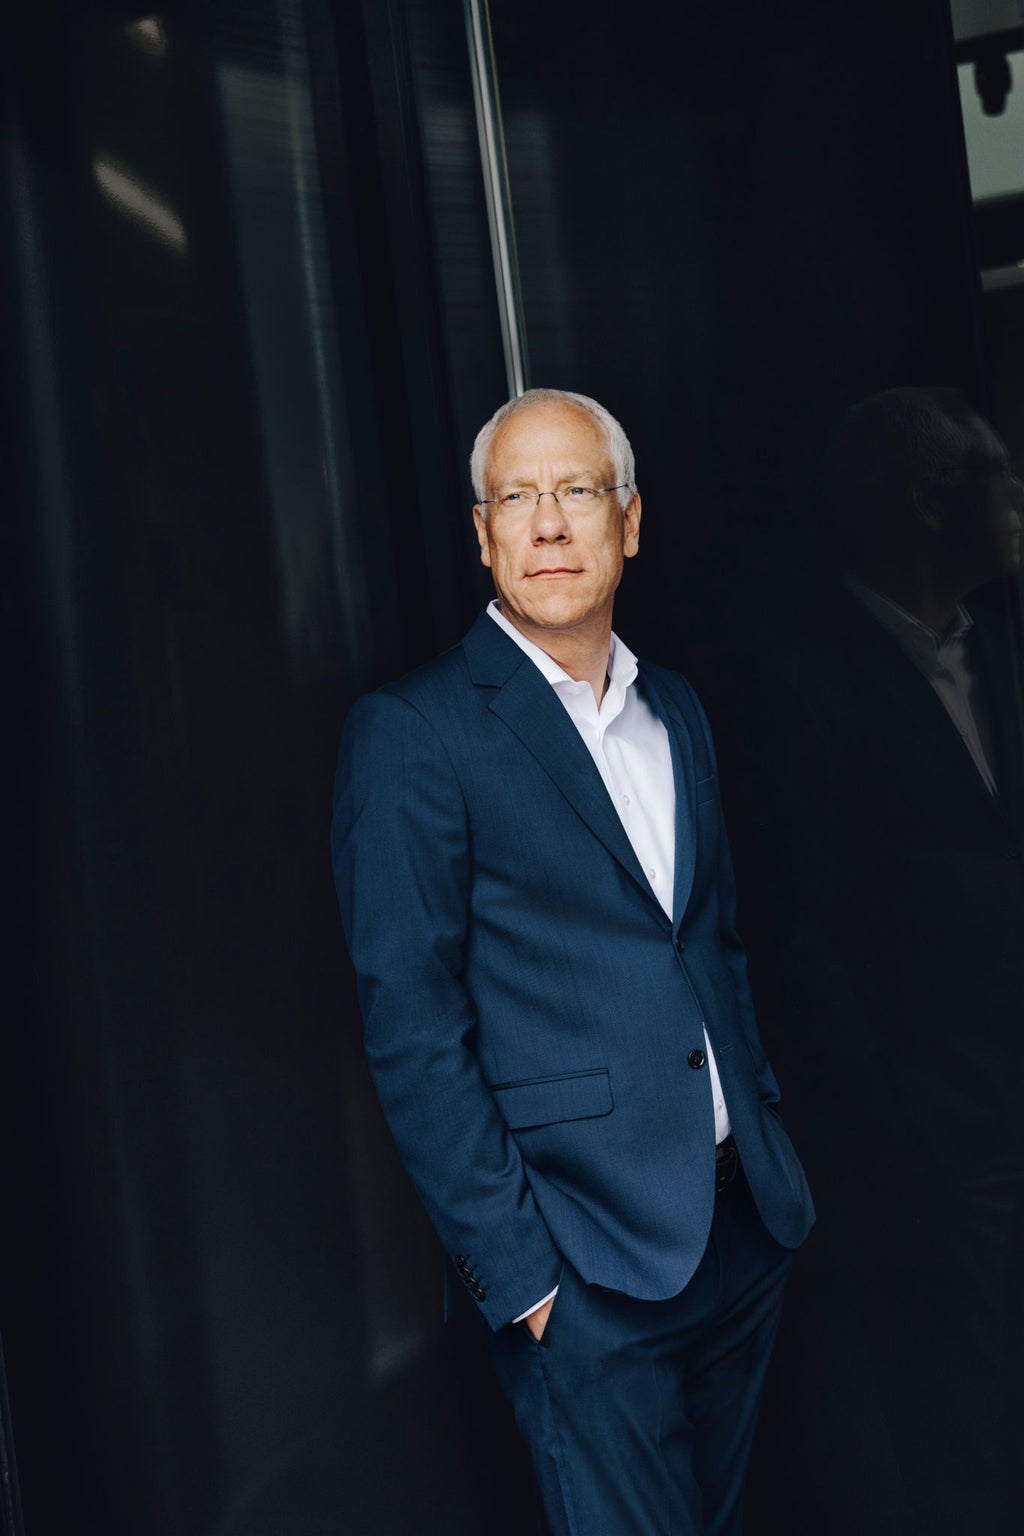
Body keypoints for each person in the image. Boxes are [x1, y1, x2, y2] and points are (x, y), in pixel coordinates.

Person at [331, 387, 814, 1535]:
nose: (548, 523)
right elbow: (412, 1031)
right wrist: (527, 1285)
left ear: (629, 521)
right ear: (482, 532)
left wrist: (761, 1129)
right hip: (585, 1273)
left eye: (577, 491)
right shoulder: (414, 734)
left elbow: (711, 942)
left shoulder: (673, 711)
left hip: (740, 1234)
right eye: (517, 498)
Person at [701, 388, 1024, 1534]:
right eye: (1001, 475)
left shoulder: (1003, 648)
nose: (1017, 500)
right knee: (965, 1423)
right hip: (934, 1134)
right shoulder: (796, 683)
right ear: (932, 500)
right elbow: (797, 931)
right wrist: (895, 1122)